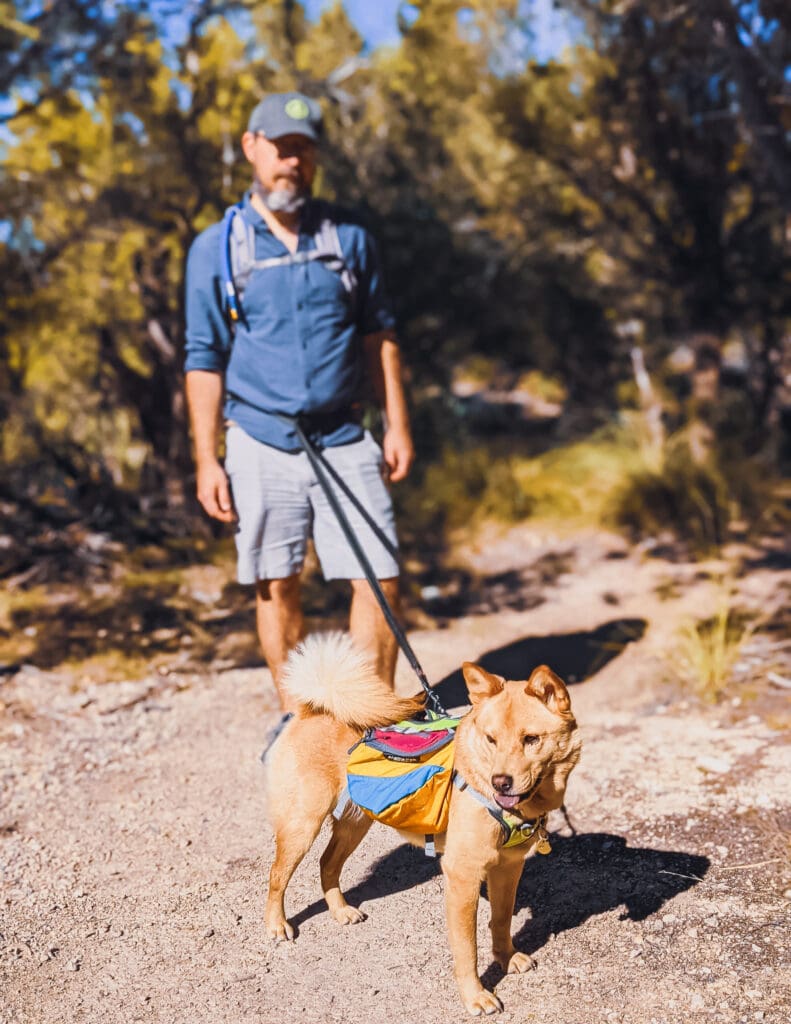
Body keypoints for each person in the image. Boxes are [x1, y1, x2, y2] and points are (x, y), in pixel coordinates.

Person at [184, 91, 414, 709]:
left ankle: (372, 726)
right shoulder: (218, 247)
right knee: (276, 581)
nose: (294, 163)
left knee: (380, 578)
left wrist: (397, 424)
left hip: (344, 434)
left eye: (305, 152)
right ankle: (300, 726)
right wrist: (207, 459)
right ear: (251, 148)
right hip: (260, 441)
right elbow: (203, 356)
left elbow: (379, 335)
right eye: (283, 150)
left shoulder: (351, 238)